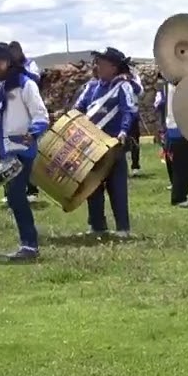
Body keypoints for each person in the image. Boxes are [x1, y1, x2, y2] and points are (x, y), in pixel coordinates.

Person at [0, 42, 49, 260]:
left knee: (16, 196)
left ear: (7, 61)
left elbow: (41, 115)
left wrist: (33, 133)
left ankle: (30, 246)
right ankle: (28, 244)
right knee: (14, 198)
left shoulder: (25, 84)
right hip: (2, 150)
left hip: (22, 149)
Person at [73, 47, 136, 238]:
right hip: (92, 145)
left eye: (101, 63)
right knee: (92, 186)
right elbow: (79, 108)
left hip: (113, 145)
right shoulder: (91, 87)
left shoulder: (123, 87)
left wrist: (123, 131)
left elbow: (129, 111)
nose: (97, 66)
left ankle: (123, 228)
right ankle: (97, 226)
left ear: (114, 67)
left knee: (117, 187)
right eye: (96, 63)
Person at [8, 41, 44, 199]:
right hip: (14, 110)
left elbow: (36, 78)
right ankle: (11, 191)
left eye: (15, 51)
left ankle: (32, 190)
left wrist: (20, 69)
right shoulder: (7, 68)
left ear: (20, 51)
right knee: (9, 155)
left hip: (30, 109)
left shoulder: (30, 64)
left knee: (29, 154)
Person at [157, 74, 188, 207]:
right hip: (182, 130)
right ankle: (179, 197)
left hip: (173, 129)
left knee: (178, 165)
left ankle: (180, 194)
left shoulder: (168, 86)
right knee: (184, 166)